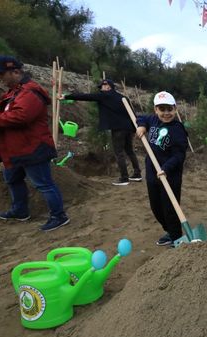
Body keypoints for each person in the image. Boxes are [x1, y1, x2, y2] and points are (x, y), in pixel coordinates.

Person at [0, 55, 69, 232]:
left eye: (1, 74)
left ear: (15, 72)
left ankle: (59, 216)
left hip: (33, 148)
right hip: (15, 149)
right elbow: (2, 106)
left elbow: (21, 116)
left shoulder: (31, 92)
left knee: (44, 184)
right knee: (12, 179)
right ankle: (20, 211)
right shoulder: (15, 91)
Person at [63, 79, 142, 186]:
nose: (100, 89)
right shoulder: (123, 97)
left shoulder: (105, 96)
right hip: (129, 128)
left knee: (119, 152)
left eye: (102, 87)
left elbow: (86, 97)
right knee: (129, 151)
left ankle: (124, 178)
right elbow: (131, 112)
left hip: (118, 128)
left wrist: (66, 96)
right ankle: (137, 174)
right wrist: (136, 127)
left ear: (108, 86)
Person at [136, 91, 188, 246]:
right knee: (156, 207)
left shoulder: (177, 129)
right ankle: (169, 231)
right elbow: (141, 117)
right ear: (156, 109)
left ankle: (176, 236)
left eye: (169, 109)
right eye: (162, 109)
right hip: (152, 172)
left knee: (170, 208)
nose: (166, 113)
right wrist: (142, 126)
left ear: (175, 109)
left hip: (170, 174)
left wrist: (166, 168)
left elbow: (179, 155)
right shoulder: (152, 119)